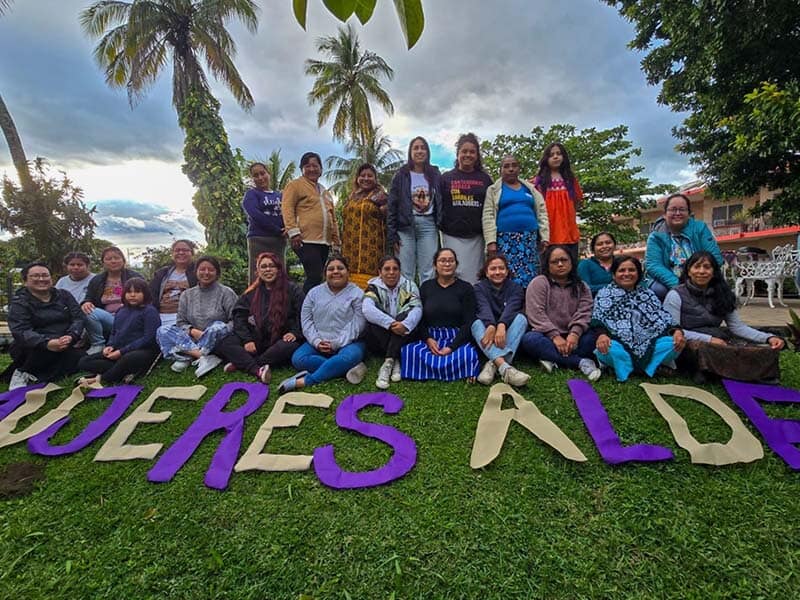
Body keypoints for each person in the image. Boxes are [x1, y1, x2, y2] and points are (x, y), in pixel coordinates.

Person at [663, 250, 785, 383]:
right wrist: (709, 339)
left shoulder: (723, 294)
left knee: (760, 349)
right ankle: (730, 372)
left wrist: (768, 338)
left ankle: (724, 372)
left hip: (718, 339)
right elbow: (673, 331)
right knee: (704, 349)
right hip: (688, 344)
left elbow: (737, 327)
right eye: (697, 267)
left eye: (707, 267)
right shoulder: (675, 295)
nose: (702, 271)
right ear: (688, 271)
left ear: (714, 271)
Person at [278, 256, 367, 393]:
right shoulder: (314, 293)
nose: (336, 271)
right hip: (318, 341)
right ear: (325, 273)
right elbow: (306, 320)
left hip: (350, 342)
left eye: (340, 268)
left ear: (348, 272)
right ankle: (344, 368)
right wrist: (317, 341)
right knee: (298, 359)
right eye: (331, 269)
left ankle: (306, 381)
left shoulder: (357, 293)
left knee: (348, 357)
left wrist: (336, 343)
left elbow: (358, 323)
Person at [592, 255, 686, 382]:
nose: (627, 274)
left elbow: (663, 317)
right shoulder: (605, 294)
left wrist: (677, 332)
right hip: (619, 344)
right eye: (621, 270)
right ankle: (647, 367)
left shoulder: (647, 293)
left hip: (649, 343)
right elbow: (598, 320)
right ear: (614, 275)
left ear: (638, 274)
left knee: (673, 343)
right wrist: (602, 336)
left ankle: (632, 367)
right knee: (609, 349)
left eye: (631, 270)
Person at [215, 252, 304, 383]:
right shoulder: (252, 292)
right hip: (257, 339)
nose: (268, 269)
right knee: (225, 342)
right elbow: (239, 316)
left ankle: (244, 363)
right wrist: (247, 340)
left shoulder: (292, 289)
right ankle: (257, 369)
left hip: (281, 339)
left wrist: (295, 332)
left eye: (271, 266)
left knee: (287, 347)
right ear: (258, 271)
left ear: (278, 269)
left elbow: (303, 313)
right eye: (263, 266)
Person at [521, 245, 601, 380]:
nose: (560, 264)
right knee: (529, 340)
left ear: (571, 262)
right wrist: (555, 336)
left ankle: (553, 359)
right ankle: (580, 362)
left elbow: (585, 312)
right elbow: (536, 314)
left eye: (564, 260)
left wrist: (575, 334)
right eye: (554, 262)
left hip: (575, 337)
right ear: (547, 265)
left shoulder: (582, 286)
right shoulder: (539, 283)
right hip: (546, 336)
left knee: (592, 339)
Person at [401, 248, 479, 381]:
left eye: (451, 261)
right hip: (431, 337)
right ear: (435, 265)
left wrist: (451, 347)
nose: (447, 264)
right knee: (408, 351)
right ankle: (454, 371)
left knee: (468, 354)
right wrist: (428, 339)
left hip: (456, 336)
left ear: (456, 264)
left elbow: (469, 322)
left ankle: (432, 370)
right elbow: (420, 318)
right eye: (442, 261)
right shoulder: (426, 287)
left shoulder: (466, 288)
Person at [156, 256, 237, 378]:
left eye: (210, 270)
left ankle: (189, 355)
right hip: (193, 337)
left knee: (217, 327)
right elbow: (180, 322)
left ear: (217, 273)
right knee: (163, 330)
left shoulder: (226, 293)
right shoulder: (187, 295)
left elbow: (235, 320)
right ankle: (202, 356)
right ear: (196, 272)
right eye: (202, 269)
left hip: (217, 338)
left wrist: (209, 333)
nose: (206, 273)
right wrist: (192, 331)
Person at [7, 262, 85, 389]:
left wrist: (71, 336)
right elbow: (20, 330)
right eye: (35, 276)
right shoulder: (20, 302)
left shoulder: (64, 295)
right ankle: (23, 372)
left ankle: (36, 375)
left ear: (51, 279)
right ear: (25, 281)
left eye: (45, 275)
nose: (41, 279)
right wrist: (47, 343)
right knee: (43, 354)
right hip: (35, 345)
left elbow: (78, 318)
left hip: (64, 340)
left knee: (80, 359)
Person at [77, 278, 160, 386]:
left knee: (127, 359)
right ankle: (125, 372)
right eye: (129, 292)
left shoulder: (149, 311)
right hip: (119, 350)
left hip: (142, 351)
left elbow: (149, 338)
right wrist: (110, 346)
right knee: (84, 361)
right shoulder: (121, 310)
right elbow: (114, 332)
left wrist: (122, 352)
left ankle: (101, 378)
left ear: (146, 294)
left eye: (137, 292)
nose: (133, 295)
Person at [483, 154, 550, 288]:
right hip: (506, 241)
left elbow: (542, 212)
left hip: (529, 240)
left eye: (514, 165)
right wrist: (491, 242)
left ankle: (528, 306)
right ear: (500, 170)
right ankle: (509, 306)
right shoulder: (493, 190)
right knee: (505, 275)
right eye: (506, 166)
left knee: (531, 275)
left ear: (519, 169)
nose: (511, 169)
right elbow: (488, 215)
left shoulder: (530, 189)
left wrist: (545, 236)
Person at [645, 192, 723, 300]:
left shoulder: (700, 228)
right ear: (664, 214)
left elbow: (716, 258)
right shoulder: (656, 236)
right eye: (673, 209)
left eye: (682, 209)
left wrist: (697, 278)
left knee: (720, 289)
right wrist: (679, 285)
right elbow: (653, 265)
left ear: (689, 213)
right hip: (669, 279)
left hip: (698, 276)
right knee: (658, 290)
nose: (677, 213)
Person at [438, 133, 494, 284]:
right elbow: (438, 206)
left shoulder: (485, 179)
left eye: (472, 151)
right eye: (464, 151)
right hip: (452, 235)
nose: (468, 155)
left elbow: (491, 208)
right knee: (454, 274)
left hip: (476, 238)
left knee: (475, 277)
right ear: (458, 154)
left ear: (477, 155)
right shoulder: (446, 178)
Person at [281, 152, 340, 293]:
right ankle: (302, 309)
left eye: (315, 166)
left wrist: (336, 241)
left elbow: (333, 218)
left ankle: (313, 308)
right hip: (304, 239)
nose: (312, 169)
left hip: (324, 242)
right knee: (314, 275)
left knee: (318, 276)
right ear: (302, 168)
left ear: (321, 169)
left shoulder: (325, 192)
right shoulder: (295, 185)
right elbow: (287, 208)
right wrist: (293, 232)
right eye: (308, 166)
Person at [362, 256, 422, 389]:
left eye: (395, 269)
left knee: (404, 316)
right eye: (387, 269)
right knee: (374, 322)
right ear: (379, 272)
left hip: (405, 333)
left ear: (400, 271)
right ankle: (395, 359)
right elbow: (367, 309)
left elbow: (417, 308)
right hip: (382, 334)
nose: (391, 272)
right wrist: (391, 324)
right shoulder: (373, 287)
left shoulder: (409, 285)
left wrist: (404, 325)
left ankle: (388, 362)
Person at [387, 136, 441, 284]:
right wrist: (392, 235)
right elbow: (392, 205)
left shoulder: (435, 174)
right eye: (416, 148)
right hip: (405, 227)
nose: (419, 151)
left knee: (429, 271)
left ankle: (427, 305)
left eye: (423, 148)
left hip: (429, 226)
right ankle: (408, 305)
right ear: (410, 152)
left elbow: (440, 200)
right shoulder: (401, 175)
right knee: (405, 271)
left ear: (428, 152)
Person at [472, 255, 530, 386]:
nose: (497, 272)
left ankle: (493, 363)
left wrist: (502, 325)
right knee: (475, 324)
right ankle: (505, 368)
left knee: (521, 319)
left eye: (501, 268)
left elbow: (512, 308)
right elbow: (483, 308)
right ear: (486, 273)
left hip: (508, 330)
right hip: (487, 329)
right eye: (493, 269)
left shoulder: (516, 288)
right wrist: (491, 325)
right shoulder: (478, 288)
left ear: (507, 271)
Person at [81, 246, 144, 355]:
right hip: (108, 318)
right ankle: (98, 344)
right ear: (103, 263)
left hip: (129, 317)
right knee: (88, 310)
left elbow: (145, 297)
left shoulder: (134, 277)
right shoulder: (97, 280)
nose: (113, 261)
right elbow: (89, 297)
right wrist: (86, 303)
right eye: (109, 259)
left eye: (117, 258)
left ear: (123, 260)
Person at [532, 142, 583, 261]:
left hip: (569, 233)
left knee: (570, 267)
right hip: (549, 235)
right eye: (551, 155)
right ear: (546, 159)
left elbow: (577, 202)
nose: (555, 157)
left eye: (559, 154)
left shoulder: (570, 179)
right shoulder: (539, 181)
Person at [341, 163, 389, 289]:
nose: (366, 178)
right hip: (349, 249)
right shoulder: (351, 196)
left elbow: (390, 219)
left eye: (370, 176)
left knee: (369, 289)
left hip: (371, 250)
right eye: (362, 175)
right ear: (357, 178)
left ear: (375, 179)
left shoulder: (381, 197)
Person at [243, 162, 285, 280]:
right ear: (253, 179)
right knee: (257, 274)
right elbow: (256, 215)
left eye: (262, 173)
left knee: (279, 273)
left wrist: (287, 229)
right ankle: (254, 298)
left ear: (268, 173)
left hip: (278, 241)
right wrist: (277, 230)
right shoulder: (251, 194)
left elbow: (287, 213)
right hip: (259, 239)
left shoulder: (280, 195)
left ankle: (280, 298)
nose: (260, 178)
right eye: (256, 175)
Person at [149, 239, 197, 327]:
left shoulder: (198, 272)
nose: (181, 253)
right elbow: (152, 296)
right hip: (162, 315)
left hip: (187, 316)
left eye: (185, 250)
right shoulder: (162, 273)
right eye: (177, 250)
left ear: (192, 253)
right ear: (172, 254)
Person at [577, 232, 617, 296]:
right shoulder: (585, 265)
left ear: (614, 245)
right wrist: (615, 286)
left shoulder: (622, 263)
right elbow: (584, 289)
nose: (604, 246)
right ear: (593, 249)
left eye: (608, 243)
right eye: (599, 244)